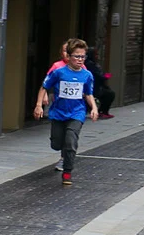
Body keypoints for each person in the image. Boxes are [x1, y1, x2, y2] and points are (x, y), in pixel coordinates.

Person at [33, 38, 98, 186]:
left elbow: (88, 94)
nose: (80, 60)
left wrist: (94, 108)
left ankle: (67, 171)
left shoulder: (87, 75)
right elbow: (44, 87)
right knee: (57, 144)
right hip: (58, 113)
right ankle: (60, 147)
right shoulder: (58, 72)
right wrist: (38, 105)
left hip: (77, 113)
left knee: (71, 141)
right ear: (69, 56)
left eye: (83, 56)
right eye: (77, 56)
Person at [85, 48, 115, 118]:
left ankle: (102, 111)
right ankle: (102, 111)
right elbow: (97, 75)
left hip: (98, 86)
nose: (97, 56)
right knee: (110, 94)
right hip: (94, 87)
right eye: (96, 54)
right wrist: (105, 76)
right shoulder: (90, 64)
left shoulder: (93, 63)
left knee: (109, 93)